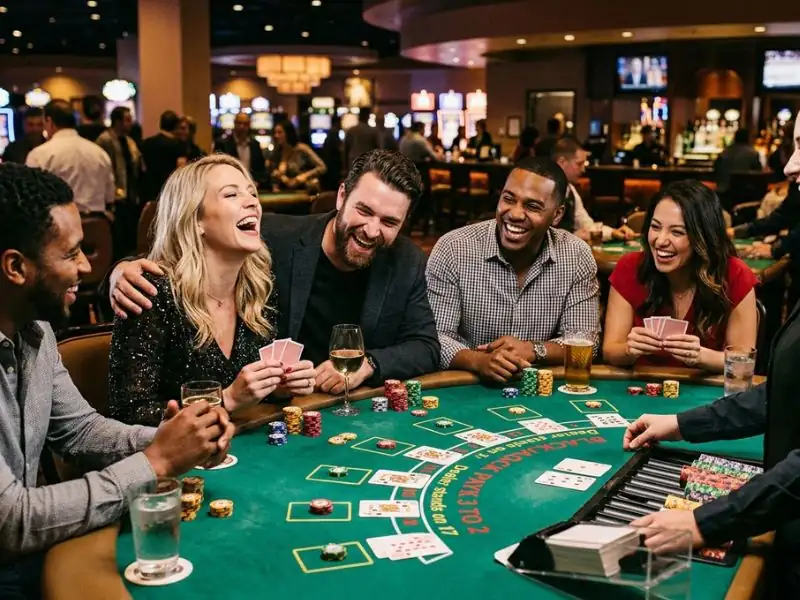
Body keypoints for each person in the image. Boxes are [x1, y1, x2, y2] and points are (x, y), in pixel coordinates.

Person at [0, 163, 233, 599]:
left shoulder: (36, 329)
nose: (87, 266)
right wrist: (155, 463)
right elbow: (10, 520)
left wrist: (173, 438)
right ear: (15, 267)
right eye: (70, 254)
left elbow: (80, 430)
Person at [106, 150, 440, 394]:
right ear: (341, 196)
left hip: (347, 407)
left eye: (389, 222)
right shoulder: (269, 237)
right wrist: (119, 271)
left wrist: (368, 365)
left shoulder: (406, 260)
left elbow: (426, 346)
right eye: (364, 211)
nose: (371, 230)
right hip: (271, 412)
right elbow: (181, 249)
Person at [108, 155, 316, 426]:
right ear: (196, 219)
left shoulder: (258, 288)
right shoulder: (151, 291)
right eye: (231, 194)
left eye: (252, 193)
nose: (252, 202)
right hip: (178, 452)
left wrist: (277, 388)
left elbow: (251, 397)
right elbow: (126, 414)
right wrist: (225, 400)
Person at [425, 156, 599, 382]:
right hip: (466, 385)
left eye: (532, 206)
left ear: (557, 215)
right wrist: (479, 361)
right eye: (509, 199)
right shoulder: (453, 248)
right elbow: (435, 337)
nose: (515, 214)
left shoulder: (577, 255)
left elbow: (585, 342)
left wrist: (533, 350)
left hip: (539, 389)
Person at [603, 180, 757, 373]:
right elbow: (610, 350)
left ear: (703, 237)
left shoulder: (735, 274)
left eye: (677, 232)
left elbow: (743, 363)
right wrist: (628, 350)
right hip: (642, 387)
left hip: (706, 389)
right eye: (655, 227)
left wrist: (700, 356)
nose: (660, 241)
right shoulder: (630, 267)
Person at [26, 99, 115, 214]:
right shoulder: (100, 153)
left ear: (49, 121)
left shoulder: (40, 154)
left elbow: (31, 198)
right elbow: (110, 197)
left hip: (60, 223)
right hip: (97, 222)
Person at [552, 136, 635, 242]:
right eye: (579, 164)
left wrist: (613, 232)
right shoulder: (545, 191)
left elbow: (587, 225)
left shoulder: (570, 190)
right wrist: (573, 237)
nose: (583, 170)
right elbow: (540, 236)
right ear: (562, 162)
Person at [96, 106, 143, 259]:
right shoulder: (105, 140)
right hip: (115, 195)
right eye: (127, 120)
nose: (131, 123)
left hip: (130, 194)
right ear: (117, 121)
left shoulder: (129, 141)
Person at [269, 120, 327, 191]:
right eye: (275, 133)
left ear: (288, 133)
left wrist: (304, 176)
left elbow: (322, 167)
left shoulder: (301, 148)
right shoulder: (278, 151)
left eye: (280, 132)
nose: (276, 136)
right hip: (285, 192)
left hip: (304, 191)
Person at [214, 113, 266, 185]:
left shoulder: (255, 144)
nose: (242, 126)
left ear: (249, 125)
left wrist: (258, 181)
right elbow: (217, 168)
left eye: (245, 124)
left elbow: (261, 168)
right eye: (239, 123)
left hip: (252, 186)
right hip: (230, 185)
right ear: (234, 123)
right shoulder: (222, 144)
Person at [714, 128, 763, 197]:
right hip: (745, 191)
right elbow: (758, 172)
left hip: (723, 190)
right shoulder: (752, 153)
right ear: (748, 138)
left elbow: (716, 168)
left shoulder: (725, 151)